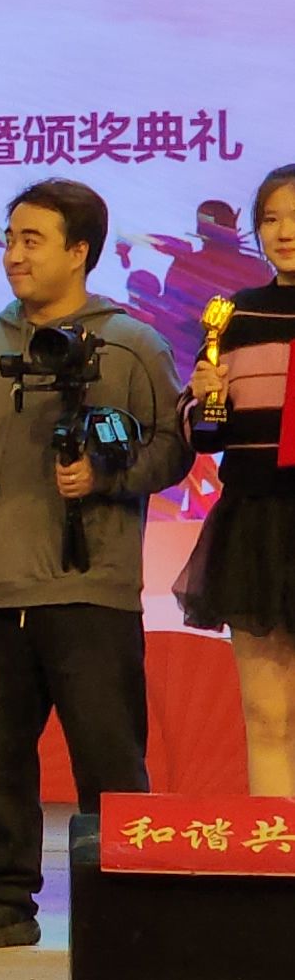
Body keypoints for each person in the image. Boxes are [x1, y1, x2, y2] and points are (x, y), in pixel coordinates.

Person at [0, 179, 186, 950]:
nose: (14, 253)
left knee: (108, 756)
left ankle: (127, 912)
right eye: (9, 238)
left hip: (92, 591)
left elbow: (173, 449)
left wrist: (107, 475)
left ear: (79, 251)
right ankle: (6, 900)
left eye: (32, 239)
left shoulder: (132, 344)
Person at [176, 163, 295, 797]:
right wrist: (203, 399)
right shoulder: (235, 317)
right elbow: (204, 435)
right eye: (271, 219)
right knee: (268, 716)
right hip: (256, 525)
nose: (284, 232)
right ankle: (279, 848)